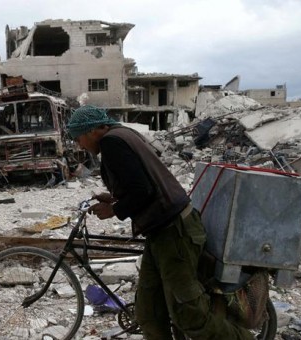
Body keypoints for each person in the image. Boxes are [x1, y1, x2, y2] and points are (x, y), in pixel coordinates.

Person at [65, 105, 253, 340]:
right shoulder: (125, 134)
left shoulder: (111, 143)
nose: (80, 145)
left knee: (190, 316)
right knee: (149, 313)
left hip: (175, 233)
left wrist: (114, 209)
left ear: (92, 131)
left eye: (79, 138)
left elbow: (143, 190)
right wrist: (115, 197)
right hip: (162, 233)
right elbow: (142, 183)